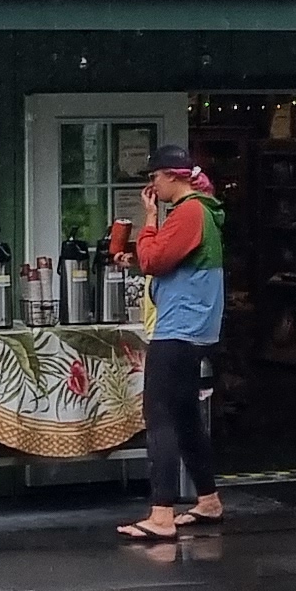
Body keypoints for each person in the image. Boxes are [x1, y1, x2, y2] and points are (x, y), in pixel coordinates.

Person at [118, 147, 227, 542]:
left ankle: (161, 513)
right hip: (197, 326)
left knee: (159, 414)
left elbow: (154, 261)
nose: (152, 185)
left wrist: (148, 221)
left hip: (178, 327)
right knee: (184, 415)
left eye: (155, 177)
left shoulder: (189, 211)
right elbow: (171, 260)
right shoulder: (203, 210)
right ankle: (208, 500)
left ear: (172, 176)